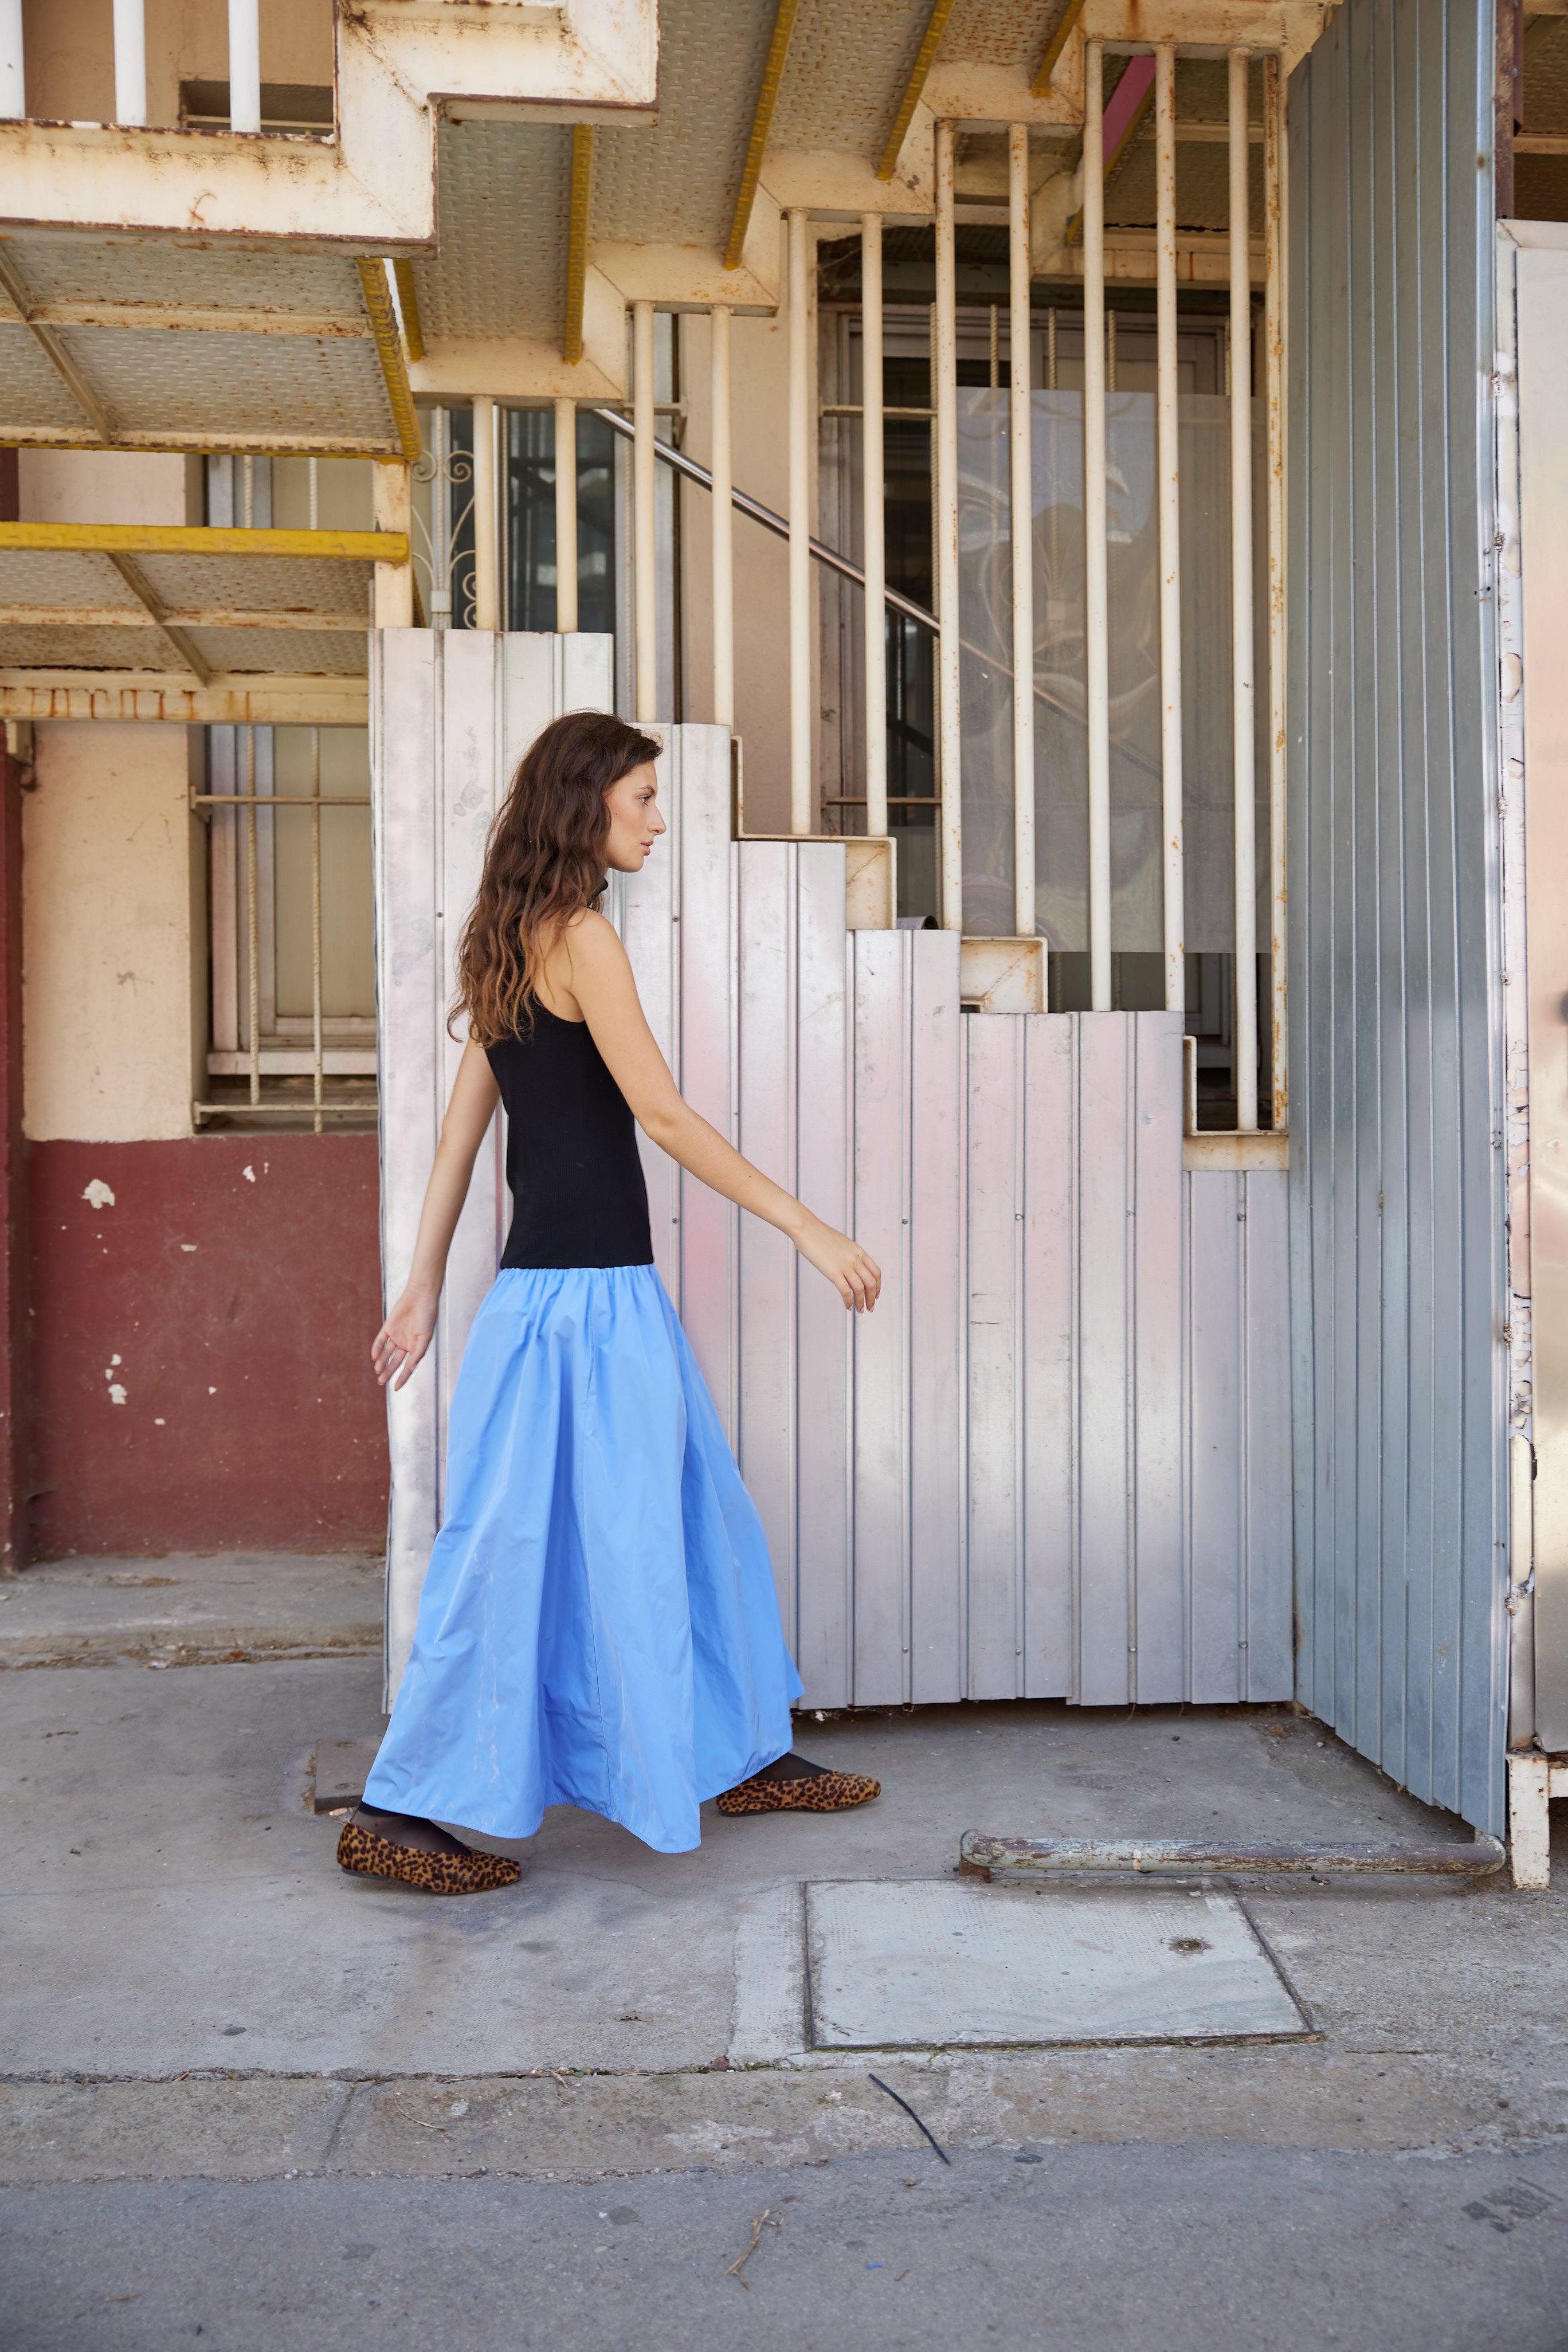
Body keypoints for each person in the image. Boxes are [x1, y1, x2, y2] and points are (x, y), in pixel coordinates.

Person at [339, 711, 884, 1896]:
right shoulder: (580, 937)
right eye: (642, 797)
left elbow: (456, 1143)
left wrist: (426, 1288)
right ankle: (397, 1807)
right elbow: (666, 1117)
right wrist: (810, 1228)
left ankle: (737, 1752)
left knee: (694, 1523)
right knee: (523, 1555)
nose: (656, 819)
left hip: (567, 1303)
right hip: (581, 1307)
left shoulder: (506, 938)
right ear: (586, 806)